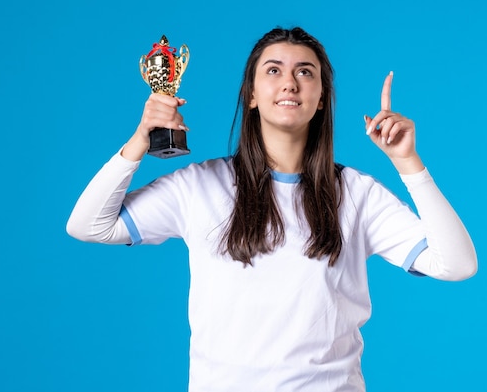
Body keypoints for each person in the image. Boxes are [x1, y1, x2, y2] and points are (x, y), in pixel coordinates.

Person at [66, 26, 477, 392]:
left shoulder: (356, 194)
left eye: (305, 72)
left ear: (320, 100)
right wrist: (140, 140)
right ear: (251, 95)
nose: (290, 83)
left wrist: (408, 162)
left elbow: (457, 265)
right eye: (274, 70)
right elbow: (88, 225)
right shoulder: (198, 186)